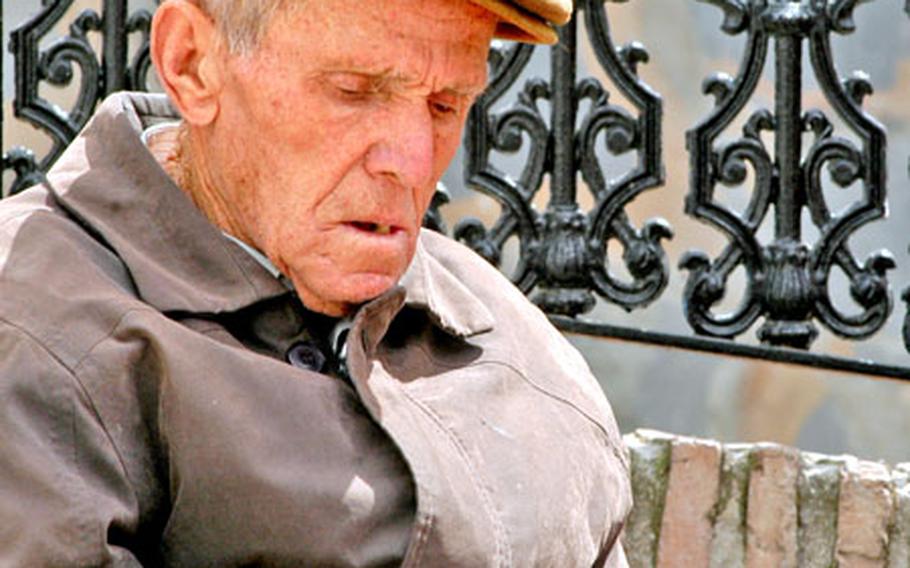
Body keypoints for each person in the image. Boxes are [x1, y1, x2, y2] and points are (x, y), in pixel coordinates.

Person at [0, 0, 631, 565]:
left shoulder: (514, 336)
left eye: (446, 105)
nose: (414, 163)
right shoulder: (34, 327)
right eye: (355, 90)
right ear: (191, 63)